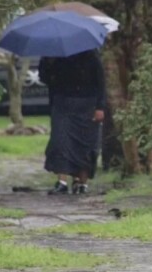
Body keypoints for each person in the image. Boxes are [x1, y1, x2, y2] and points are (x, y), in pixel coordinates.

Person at [38, 49, 106, 195]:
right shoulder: (53, 54)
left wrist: (100, 107)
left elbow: (100, 82)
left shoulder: (91, 55)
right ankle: (62, 181)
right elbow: (45, 78)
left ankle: (81, 182)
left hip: (87, 104)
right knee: (60, 142)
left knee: (85, 145)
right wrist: (49, 62)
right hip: (62, 103)